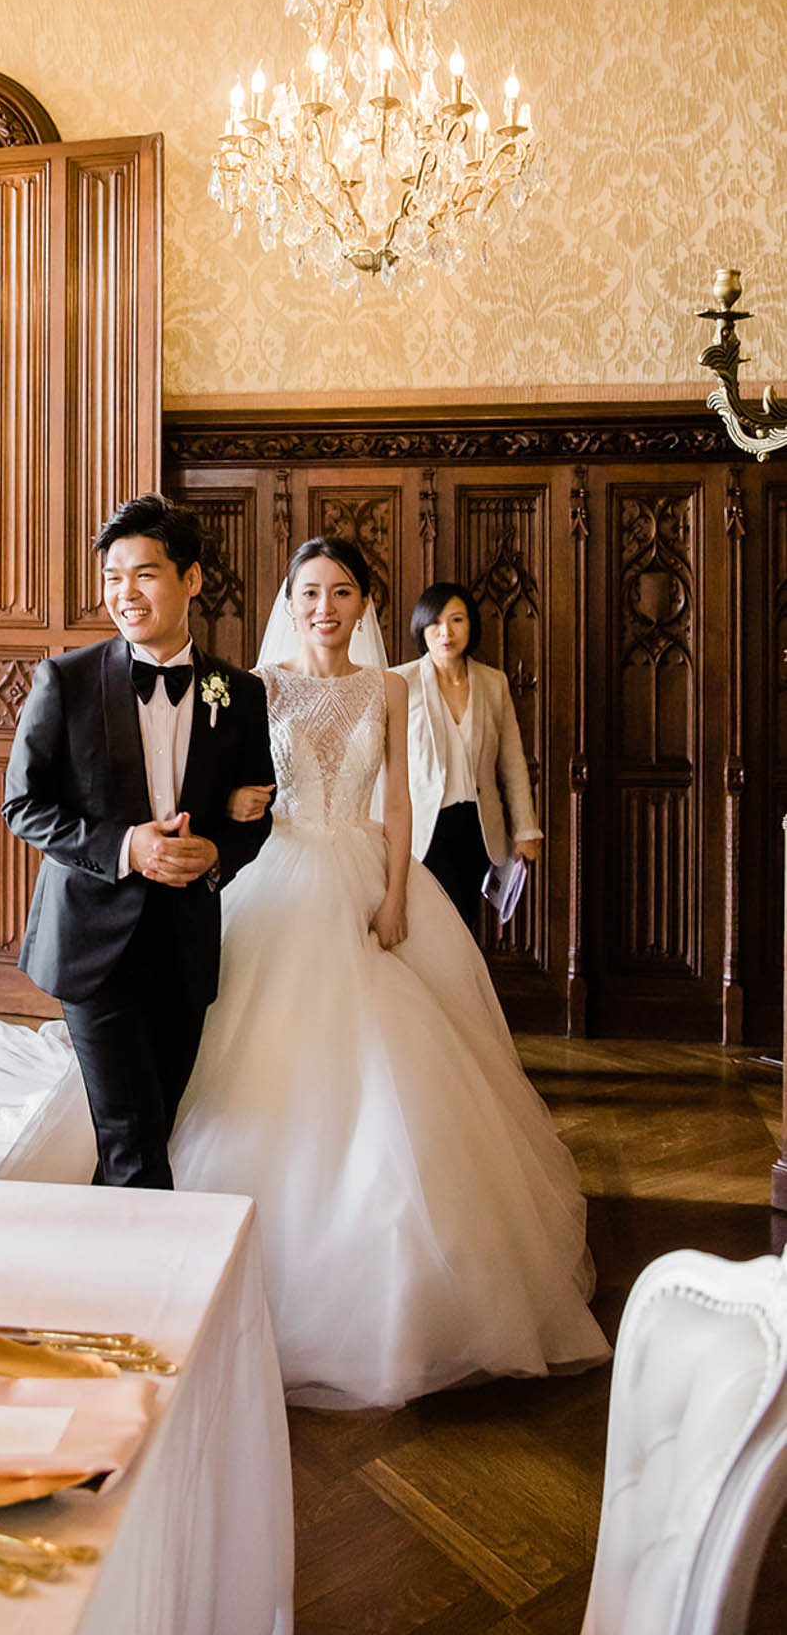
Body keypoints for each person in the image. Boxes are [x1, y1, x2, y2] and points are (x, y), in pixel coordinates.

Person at [170, 537, 609, 1408]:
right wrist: (235, 807)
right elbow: (227, 785)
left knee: (397, 1059)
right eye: (308, 592)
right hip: (278, 876)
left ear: (367, 604)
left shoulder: (390, 687)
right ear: (288, 602)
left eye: (340, 592)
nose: (323, 607)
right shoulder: (258, 689)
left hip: (369, 871)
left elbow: (399, 797)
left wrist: (398, 891)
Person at [2, 493, 276, 1189]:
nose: (125, 593)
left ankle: (101, 1262)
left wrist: (217, 851)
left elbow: (256, 814)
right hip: (93, 945)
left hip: (184, 947)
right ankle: (147, 1292)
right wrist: (128, 847)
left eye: (145, 573)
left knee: (154, 1126)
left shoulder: (237, 694)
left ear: (192, 579)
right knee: (132, 1142)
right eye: (113, 577)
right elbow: (22, 806)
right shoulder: (65, 681)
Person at [394, 581, 542, 928]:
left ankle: (460, 985)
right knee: (429, 929)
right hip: (423, 830)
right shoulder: (401, 682)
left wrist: (525, 829)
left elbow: (512, 762)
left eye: (456, 620)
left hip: (477, 827)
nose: (446, 632)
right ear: (422, 628)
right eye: (435, 622)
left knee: (465, 925)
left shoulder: (493, 683)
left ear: (470, 625)